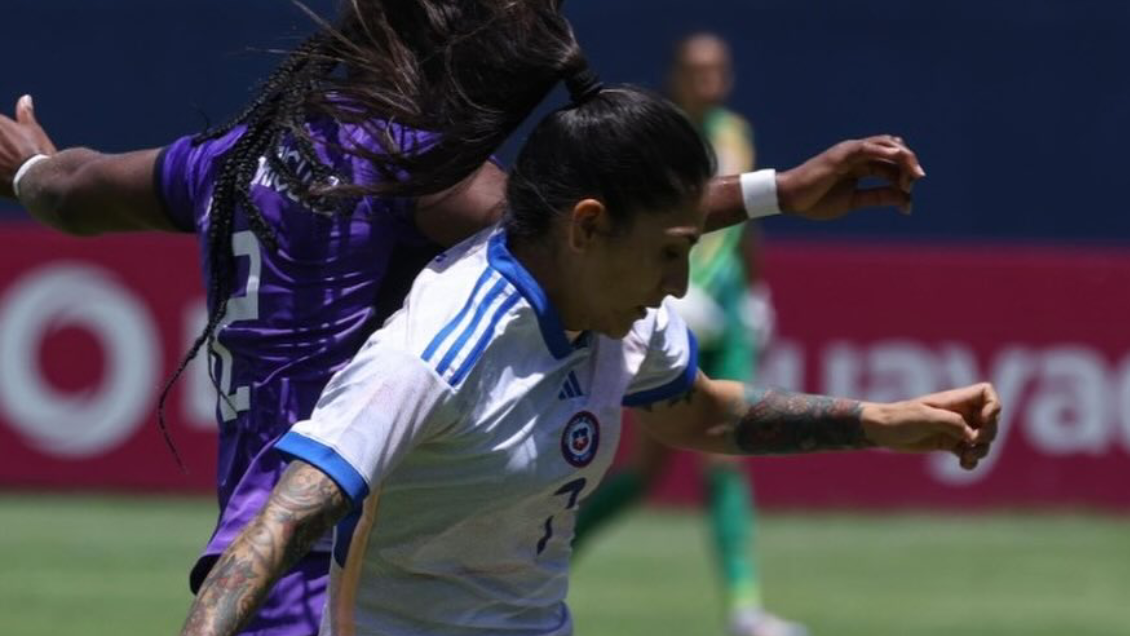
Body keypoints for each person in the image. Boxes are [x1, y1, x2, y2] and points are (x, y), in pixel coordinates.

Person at [0, 3, 926, 635]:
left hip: (260, 555)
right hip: (330, 576)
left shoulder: (233, 157)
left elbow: (78, 191)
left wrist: (31, 171)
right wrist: (774, 191)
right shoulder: (402, 167)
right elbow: (580, 217)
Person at [177, 81, 996, 636]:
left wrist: (882, 423)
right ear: (588, 226)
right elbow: (280, 521)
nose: (680, 281)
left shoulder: (622, 311)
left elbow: (704, 412)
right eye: (670, 253)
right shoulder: (436, 348)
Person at [572, 32, 798, 636]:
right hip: (671, 307)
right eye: (697, 70)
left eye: (718, 69)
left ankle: (745, 609)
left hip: (727, 314)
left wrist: (754, 290)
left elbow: (747, 217)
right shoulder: (656, 137)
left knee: (729, 459)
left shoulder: (734, 132)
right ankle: (552, 558)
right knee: (641, 475)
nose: (710, 81)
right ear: (675, 74)